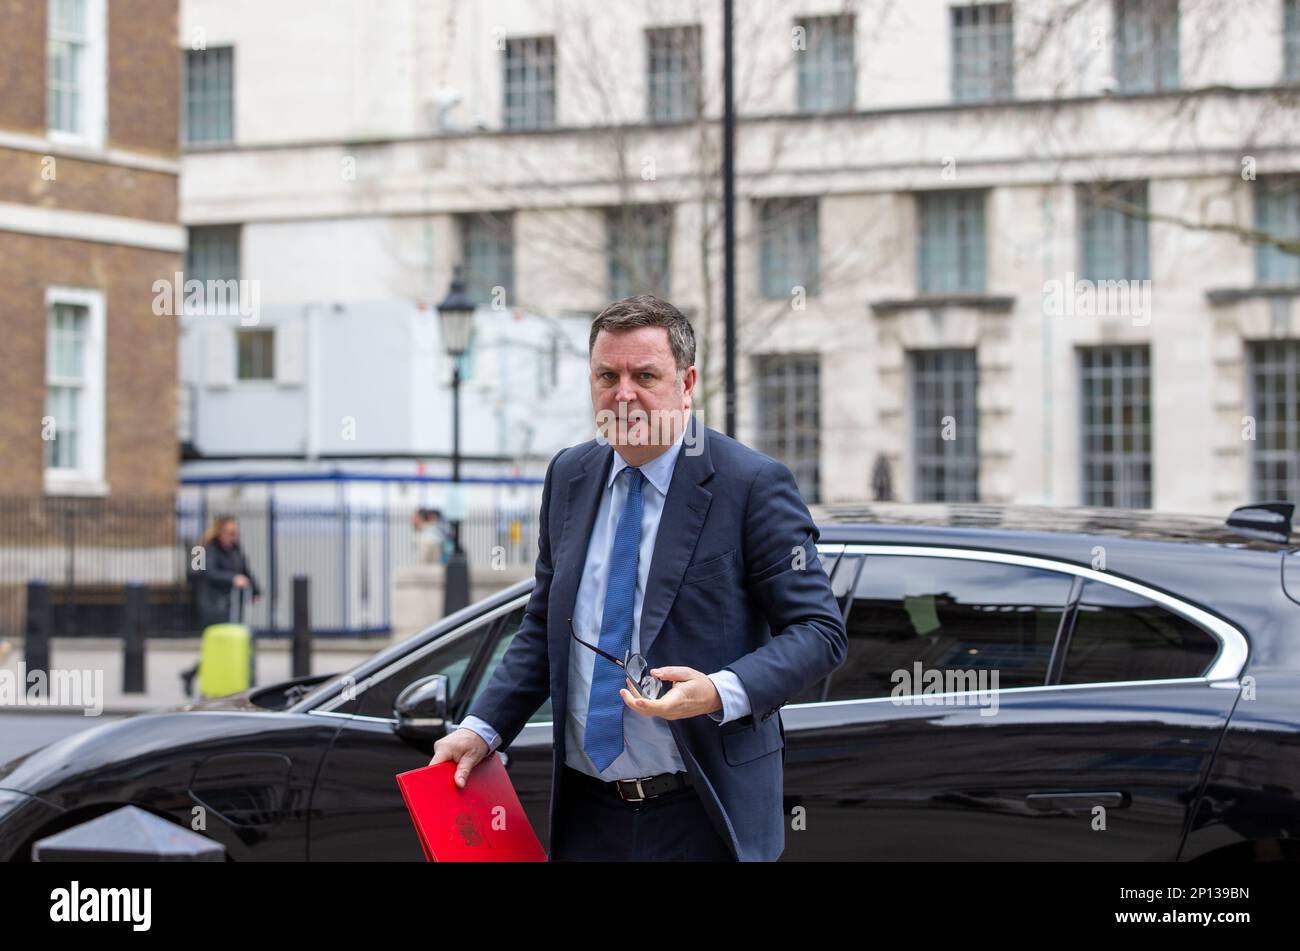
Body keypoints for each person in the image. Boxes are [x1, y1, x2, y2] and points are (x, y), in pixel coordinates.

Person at [431, 295, 848, 862]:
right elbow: (542, 624)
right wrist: (483, 727)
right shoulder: (570, 475)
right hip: (587, 813)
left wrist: (719, 692)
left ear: (686, 382)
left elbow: (819, 631)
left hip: (702, 812)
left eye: (644, 375)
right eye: (607, 375)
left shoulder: (750, 484)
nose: (623, 393)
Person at [181, 514, 262, 698]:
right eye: (230, 532)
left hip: (232, 602)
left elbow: (244, 571)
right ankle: (196, 675)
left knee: (227, 644)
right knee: (217, 644)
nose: (233, 536)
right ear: (219, 531)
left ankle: (191, 674)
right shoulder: (202, 548)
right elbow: (198, 573)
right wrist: (231, 579)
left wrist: (256, 590)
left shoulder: (235, 548)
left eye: (235, 533)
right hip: (211, 603)